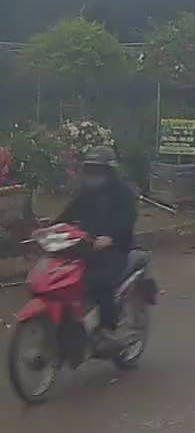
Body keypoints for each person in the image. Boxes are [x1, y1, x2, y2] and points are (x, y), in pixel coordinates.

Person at [56, 146, 137, 343]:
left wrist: (111, 238)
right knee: (62, 277)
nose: (93, 175)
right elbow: (68, 214)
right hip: (86, 245)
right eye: (90, 169)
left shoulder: (122, 193)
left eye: (98, 170)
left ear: (109, 171)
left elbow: (128, 220)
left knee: (101, 281)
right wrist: (50, 229)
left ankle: (108, 329)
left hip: (115, 249)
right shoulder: (85, 192)